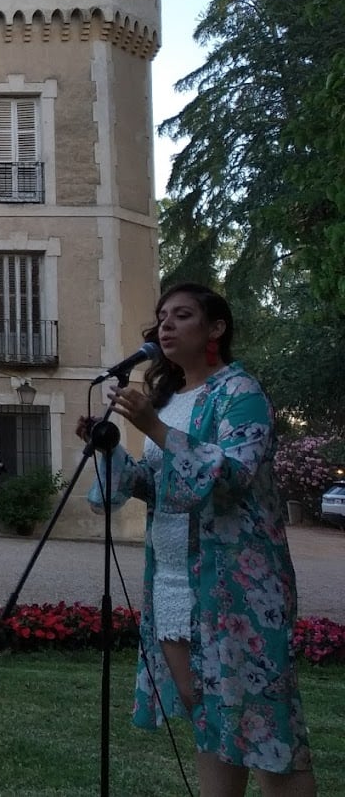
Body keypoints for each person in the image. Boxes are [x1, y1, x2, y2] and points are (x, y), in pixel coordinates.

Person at [81, 282, 316, 797]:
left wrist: (155, 429)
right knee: (210, 726)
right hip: (171, 585)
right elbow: (155, 484)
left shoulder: (241, 393)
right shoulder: (167, 401)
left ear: (215, 328)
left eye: (182, 315)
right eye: (162, 315)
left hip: (236, 591)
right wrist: (111, 449)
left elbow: (232, 476)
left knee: (264, 733)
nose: (165, 325)